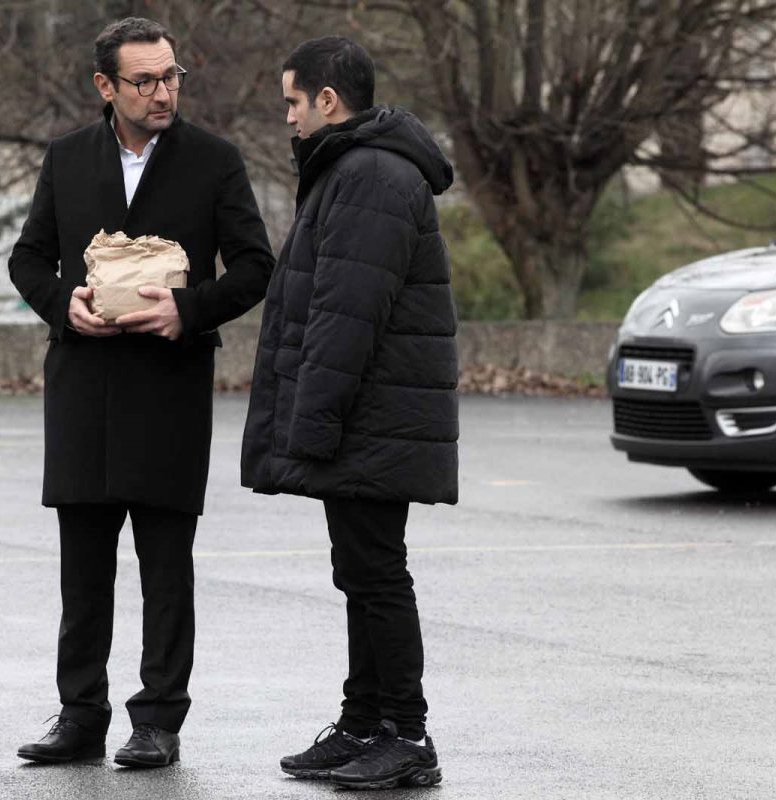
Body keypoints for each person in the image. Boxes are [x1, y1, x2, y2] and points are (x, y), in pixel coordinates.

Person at [8, 17, 274, 769]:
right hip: (84, 389)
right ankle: (79, 715)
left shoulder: (213, 160)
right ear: (106, 86)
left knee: (165, 567)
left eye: (172, 77)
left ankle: (157, 720)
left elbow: (256, 266)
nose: (164, 92)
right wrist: (64, 305)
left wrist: (187, 310)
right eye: (146, 80)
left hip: (168, 387)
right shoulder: (67, 158)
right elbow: (27, 259)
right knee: (84, 568)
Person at [240, 36, 458, 790]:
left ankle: (409, 735)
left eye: (293, 102)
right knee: (360, 570)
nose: (288, 118)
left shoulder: (370, 174)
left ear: (328, 100)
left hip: (373, 416)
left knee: (377, 573)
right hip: (370, 415)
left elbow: (348, 314)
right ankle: (365, 722)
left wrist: (314, 422)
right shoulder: (356, 167)